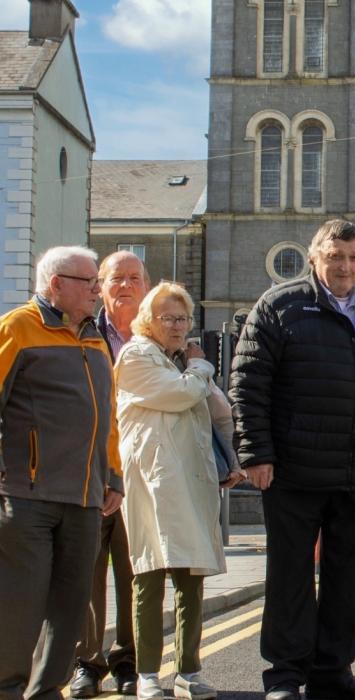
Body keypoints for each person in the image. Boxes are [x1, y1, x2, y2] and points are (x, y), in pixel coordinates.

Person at [229, 219, 355, 700]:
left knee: (349, 581)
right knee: (291, 576)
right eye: (335, 257)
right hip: (293, 470)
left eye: (354, 258)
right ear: (315, 257)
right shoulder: (279, 306)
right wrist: (256, 452)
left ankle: (333, 672)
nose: (345, 267)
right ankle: (285, 675)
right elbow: (248, 384)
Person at [0, 246, 122, 700]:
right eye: (89, 281)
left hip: (86, 497)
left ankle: (47, 690)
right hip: (26, 495)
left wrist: (113, 475)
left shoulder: (94, 339)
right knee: (21, 604)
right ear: (56, 284)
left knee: (71, 607)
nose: (97, 290)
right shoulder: (17, 327)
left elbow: (108, 415)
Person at [116, 283, 242, 700]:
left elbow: (218, 410)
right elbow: (180, 394)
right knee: (150, 576)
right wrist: (202, 368)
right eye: (167, 318)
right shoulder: (136, 356)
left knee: (191, 581)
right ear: (147, 320)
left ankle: (189, 672)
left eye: (183, 318)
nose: (177, 326)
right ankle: (148, 675)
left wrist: (231, 461)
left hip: (191, 479)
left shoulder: (181, 360)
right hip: (155, 482)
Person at [70, 250, 148, 699]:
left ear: (146, 285)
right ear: (100, 287)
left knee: (137, 573)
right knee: (87, 572)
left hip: (142, 474)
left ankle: (128, 661)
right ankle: (88, 662)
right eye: (116, 278)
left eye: (134, 278)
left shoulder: (161, 336)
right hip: (91, 470)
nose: (126, 285)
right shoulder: (80, 331)